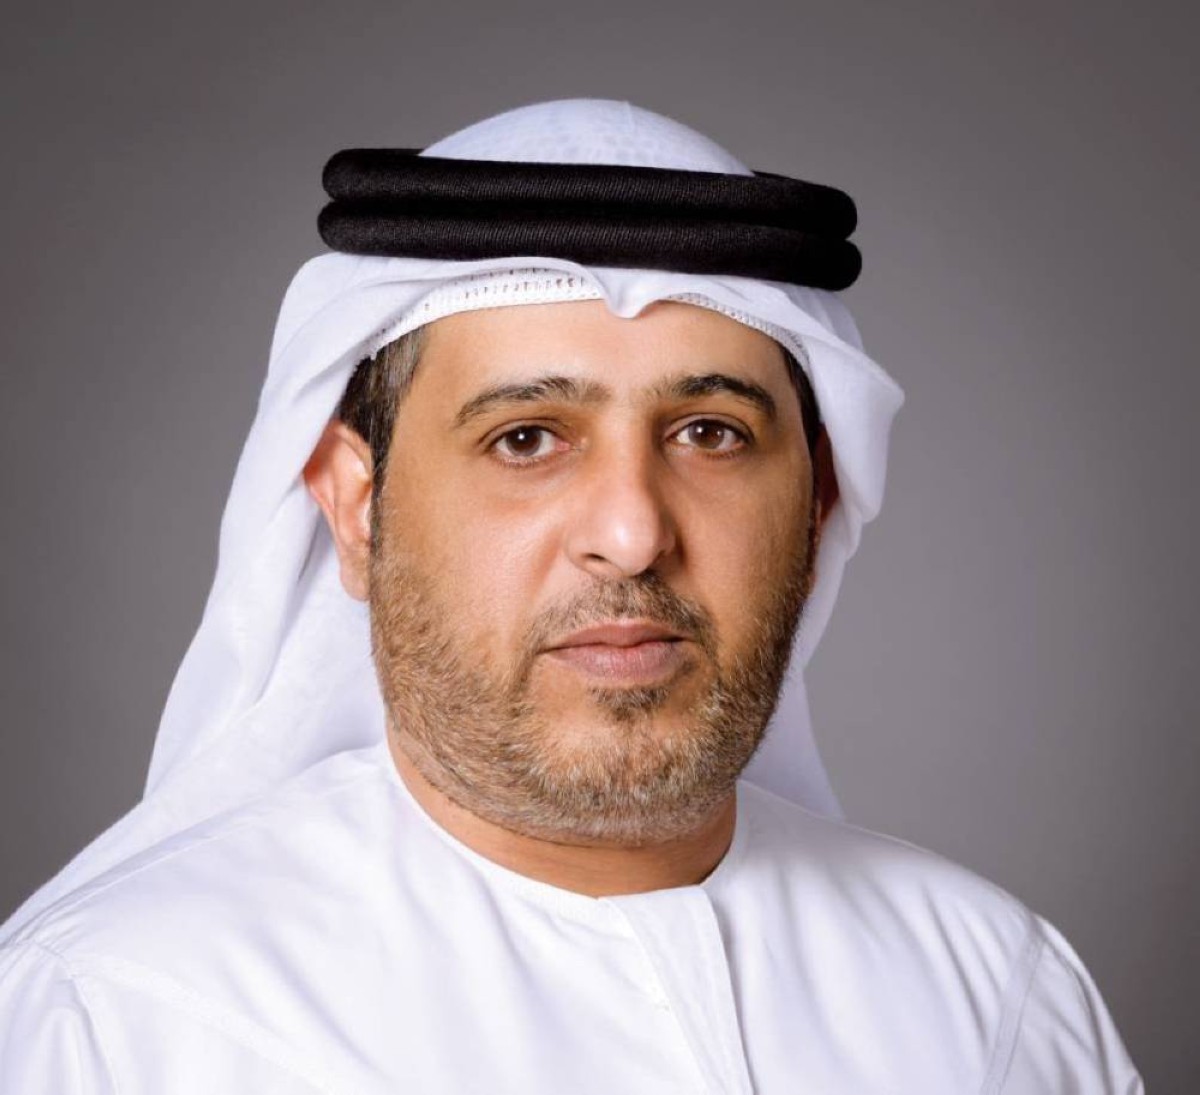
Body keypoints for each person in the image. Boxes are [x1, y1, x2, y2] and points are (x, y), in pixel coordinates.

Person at [0, 99, 1142, 1092]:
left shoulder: (995, 999)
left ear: (817, 503)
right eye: (527, 437)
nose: (631, 534)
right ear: (357, 505)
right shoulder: (120, 1018)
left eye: (710, 433)